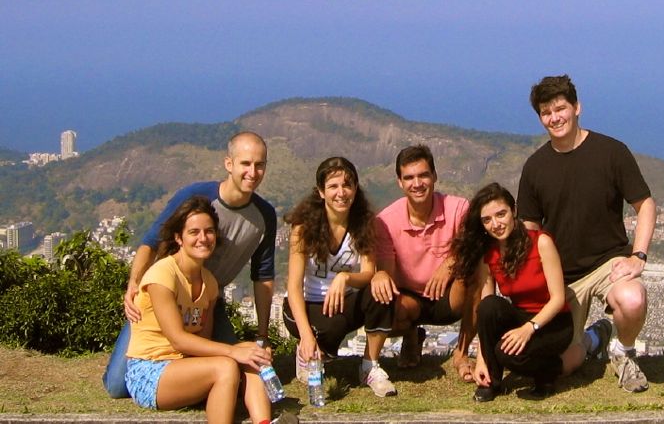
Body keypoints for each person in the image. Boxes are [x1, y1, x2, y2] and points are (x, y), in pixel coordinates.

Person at [104, 131, 277, 398]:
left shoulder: (264, 215)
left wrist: (262, 335)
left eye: (259, 164)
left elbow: (262, 276)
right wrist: (134, 283)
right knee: (117, 386)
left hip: (208, 300)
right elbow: (150, 242)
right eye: (245, 163)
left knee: (235, 368)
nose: (252, 172)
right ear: (228, 164)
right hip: (166, 296)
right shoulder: (196, 196)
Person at [517, 75, 657, 393]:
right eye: (546, 112)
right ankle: (597, 336)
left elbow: (645, 204)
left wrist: (638, 255)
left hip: (609, 262)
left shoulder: (611, 152)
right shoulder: (535, 167)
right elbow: (528, 229)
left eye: (560, 108)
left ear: (577, 107)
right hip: (562, 275)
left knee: (632, 298)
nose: (554, 117)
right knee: (557, 369)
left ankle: (624, 351)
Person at [125, 196, 273, 424]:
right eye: (194, 232)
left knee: (254, 354)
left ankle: (263, 422)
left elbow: (203, 340)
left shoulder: (210, 283)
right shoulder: (163, 275)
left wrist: (247, 352)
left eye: (209, 231)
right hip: (150, 371)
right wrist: (233, 352)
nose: (203, 238)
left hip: (185, 365)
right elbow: (178, 340)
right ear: (179, 238)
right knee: (224, 366)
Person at [282, 156, 397, 397]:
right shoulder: (303, 228)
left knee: (382, 291)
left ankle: (370, 366)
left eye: (347, 185)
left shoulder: (363, 224)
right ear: (321, 192)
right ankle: (309, 354)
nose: (341, 192)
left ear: (355, 189)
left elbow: (367, 272)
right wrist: (305, 335)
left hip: (345, 302)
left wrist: (345, 277)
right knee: (331, 327)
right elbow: (293, 287)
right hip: (309, 305)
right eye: (333, 186)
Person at [452, 183, 571, 402]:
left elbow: (558, 299)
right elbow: (487, 311)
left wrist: (529, 328)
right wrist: (481, 358)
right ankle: (492, 381)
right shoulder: (489, 255)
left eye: (501, 214)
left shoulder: (541, 242)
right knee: (489, 305)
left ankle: (548, 371)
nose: (496, 224)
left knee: (507, 355)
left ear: (514, 211)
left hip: (553, 322)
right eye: (487, 220)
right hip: (520, 317)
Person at [371, 144, 479, 382]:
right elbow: (387, 274)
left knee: (478, 272)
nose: (417, 183)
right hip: (410, 300)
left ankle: (460, 353)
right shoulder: (386, 222)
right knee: (382, 302)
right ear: (400, 182)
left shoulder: (458, 208)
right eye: (409, 177)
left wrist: (449, 263)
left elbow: (474, 245)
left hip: (451, 294)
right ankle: (411, 335)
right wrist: (380, 278)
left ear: (434, 177)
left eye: (423, 175)